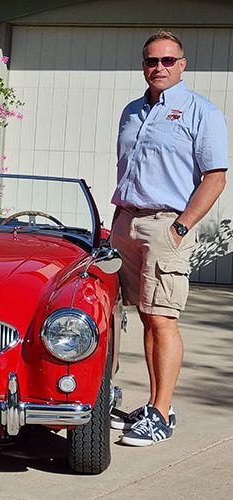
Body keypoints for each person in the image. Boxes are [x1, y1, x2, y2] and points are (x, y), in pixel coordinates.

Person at [110, 31, 228, 446]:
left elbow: (215, 178)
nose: (158, 67)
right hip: (124, 224)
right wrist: (114, 225)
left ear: (182, 64)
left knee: (161, 317)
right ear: (143, 65)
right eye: (150, 61)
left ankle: (161, 413)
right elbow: (129, 174)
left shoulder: (202, 112)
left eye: (167, 60)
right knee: (126, 314)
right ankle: (136, 401)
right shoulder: (131, 112)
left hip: (166, 226)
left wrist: (181, 227)